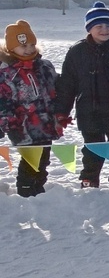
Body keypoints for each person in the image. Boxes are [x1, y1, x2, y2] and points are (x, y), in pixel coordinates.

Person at [54, 2, 109, 190]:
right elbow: (67, 85)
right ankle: (90, 178)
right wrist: (62, 111)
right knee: (92, 149)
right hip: (89, 111)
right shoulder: (77, 52)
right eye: (99, 26)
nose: (105, 30)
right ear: (89, 28)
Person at [0, 20, 61, 197]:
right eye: (23, 45)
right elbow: (3, 101)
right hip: (22, 126)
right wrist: (6, 122)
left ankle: (39, 185)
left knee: (43, 158)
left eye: (32, 44)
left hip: (45, 123)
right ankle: (26, 188)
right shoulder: (7, 73)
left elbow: (56, 86)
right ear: (11, 48)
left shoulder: (44, 66)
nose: (29, 49)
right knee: (29, 159)